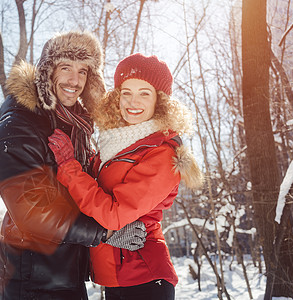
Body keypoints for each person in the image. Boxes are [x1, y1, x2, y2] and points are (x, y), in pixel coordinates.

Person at [0, 32, 147, 300]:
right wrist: (105, 233)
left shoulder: (75, 128)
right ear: (47, 73)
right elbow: (32, 211)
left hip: (67, 275)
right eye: (65, 68)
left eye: (83, 71)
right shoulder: (19, 126)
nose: (75, 81)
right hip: (32, 280)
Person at [48, 53, 204, 300]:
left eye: (145, 93)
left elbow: (115, 215)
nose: (133, 101)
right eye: (126, 92)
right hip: (116, 277)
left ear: (159, 101)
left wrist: (69, 166)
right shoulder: (115, 143)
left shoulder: (162, 153)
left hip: (144, 277)